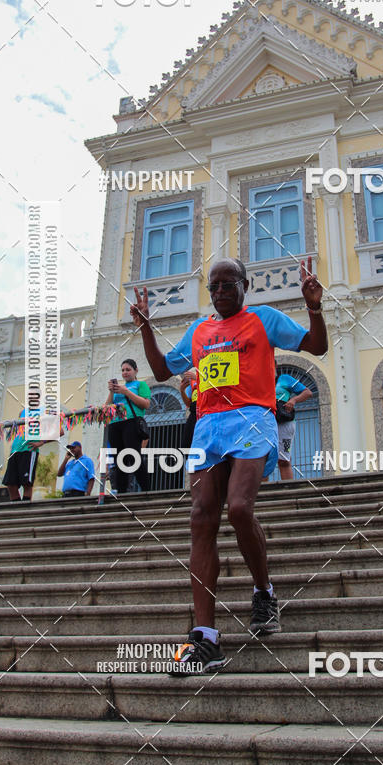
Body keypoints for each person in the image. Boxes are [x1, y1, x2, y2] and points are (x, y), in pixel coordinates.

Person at [129, 256, 327, 675]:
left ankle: (263, 590)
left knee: (239, 508)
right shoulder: (200, 331)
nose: (220, 292)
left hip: (253, 418)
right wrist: (146, 326)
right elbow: (164, 369)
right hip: (208, 427)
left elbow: (316, 346)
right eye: (213, 286)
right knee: (201, 516)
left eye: (227, 284)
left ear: (244, 284)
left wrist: (313, 307)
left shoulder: (263, 319)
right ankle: (206, 639)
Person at [104, 359, 151, 494]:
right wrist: (112, 392)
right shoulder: (118, 390)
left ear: (136, 370)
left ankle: (146, 489)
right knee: (119, 458)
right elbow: (107, 408)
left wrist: (126, 392)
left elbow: (146, 404)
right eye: (123, 370)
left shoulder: (140, 385)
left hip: (131, 422)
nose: (125, 372)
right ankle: (122, 491)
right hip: (115, 424)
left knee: (133, 455)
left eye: (128, 369)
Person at [0, 405, 52, 502]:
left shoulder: (45, 411)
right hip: (15, 450)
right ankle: (17, 508)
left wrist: (41, 442)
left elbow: (59, 431)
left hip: (29, 450)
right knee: (11, 484)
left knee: (26, 483)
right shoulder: (22, 412)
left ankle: (24, 509)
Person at [179, 369, 198, 448]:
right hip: (194, 411)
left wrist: (197, 378)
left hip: (208, 411)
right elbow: (188, 403)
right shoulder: (192, 380)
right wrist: (182, 390)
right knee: (187, 443)